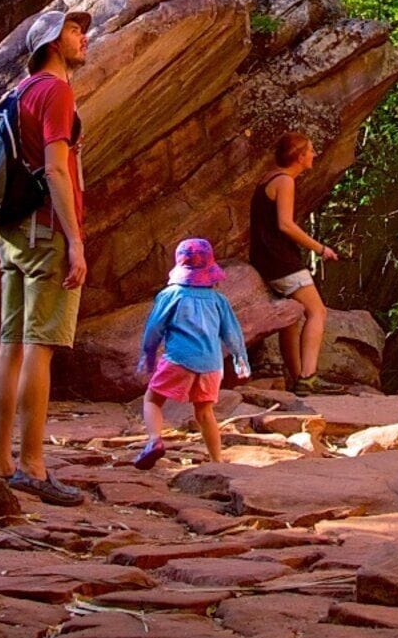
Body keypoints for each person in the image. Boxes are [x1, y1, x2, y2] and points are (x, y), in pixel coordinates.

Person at [0, 7, 92, 505]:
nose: (83, 37)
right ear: (52, 42)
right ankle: (31, 465)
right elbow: (55, 170)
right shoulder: (55, 91)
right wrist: (75, 240)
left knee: (10, 345)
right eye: (75, 30)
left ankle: (1, 461)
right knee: (39, 346)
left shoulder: (18, 94)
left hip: (11, 231)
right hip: (45, 232)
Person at [132, 237, 243, 470]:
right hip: (211, 365)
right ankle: (216, 461)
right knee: (204, 411)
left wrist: (148, 355)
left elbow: (154, 328)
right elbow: (232, 331)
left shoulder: (171, 295)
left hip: (178, 360)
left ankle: (154, 441)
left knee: (152, 399)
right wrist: (239, 357)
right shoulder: (218, 300)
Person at [251, 130, 341, 391]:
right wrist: (321, 248)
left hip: (265, 259)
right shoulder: (285, 181)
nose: (314, 154)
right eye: (310, 150)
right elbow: (286, 225)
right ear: (300, 157)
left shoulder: (266, 179)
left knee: (290, 319)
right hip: (281, 261)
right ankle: (308, 376)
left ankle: (297, 377)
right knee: (317, 311)